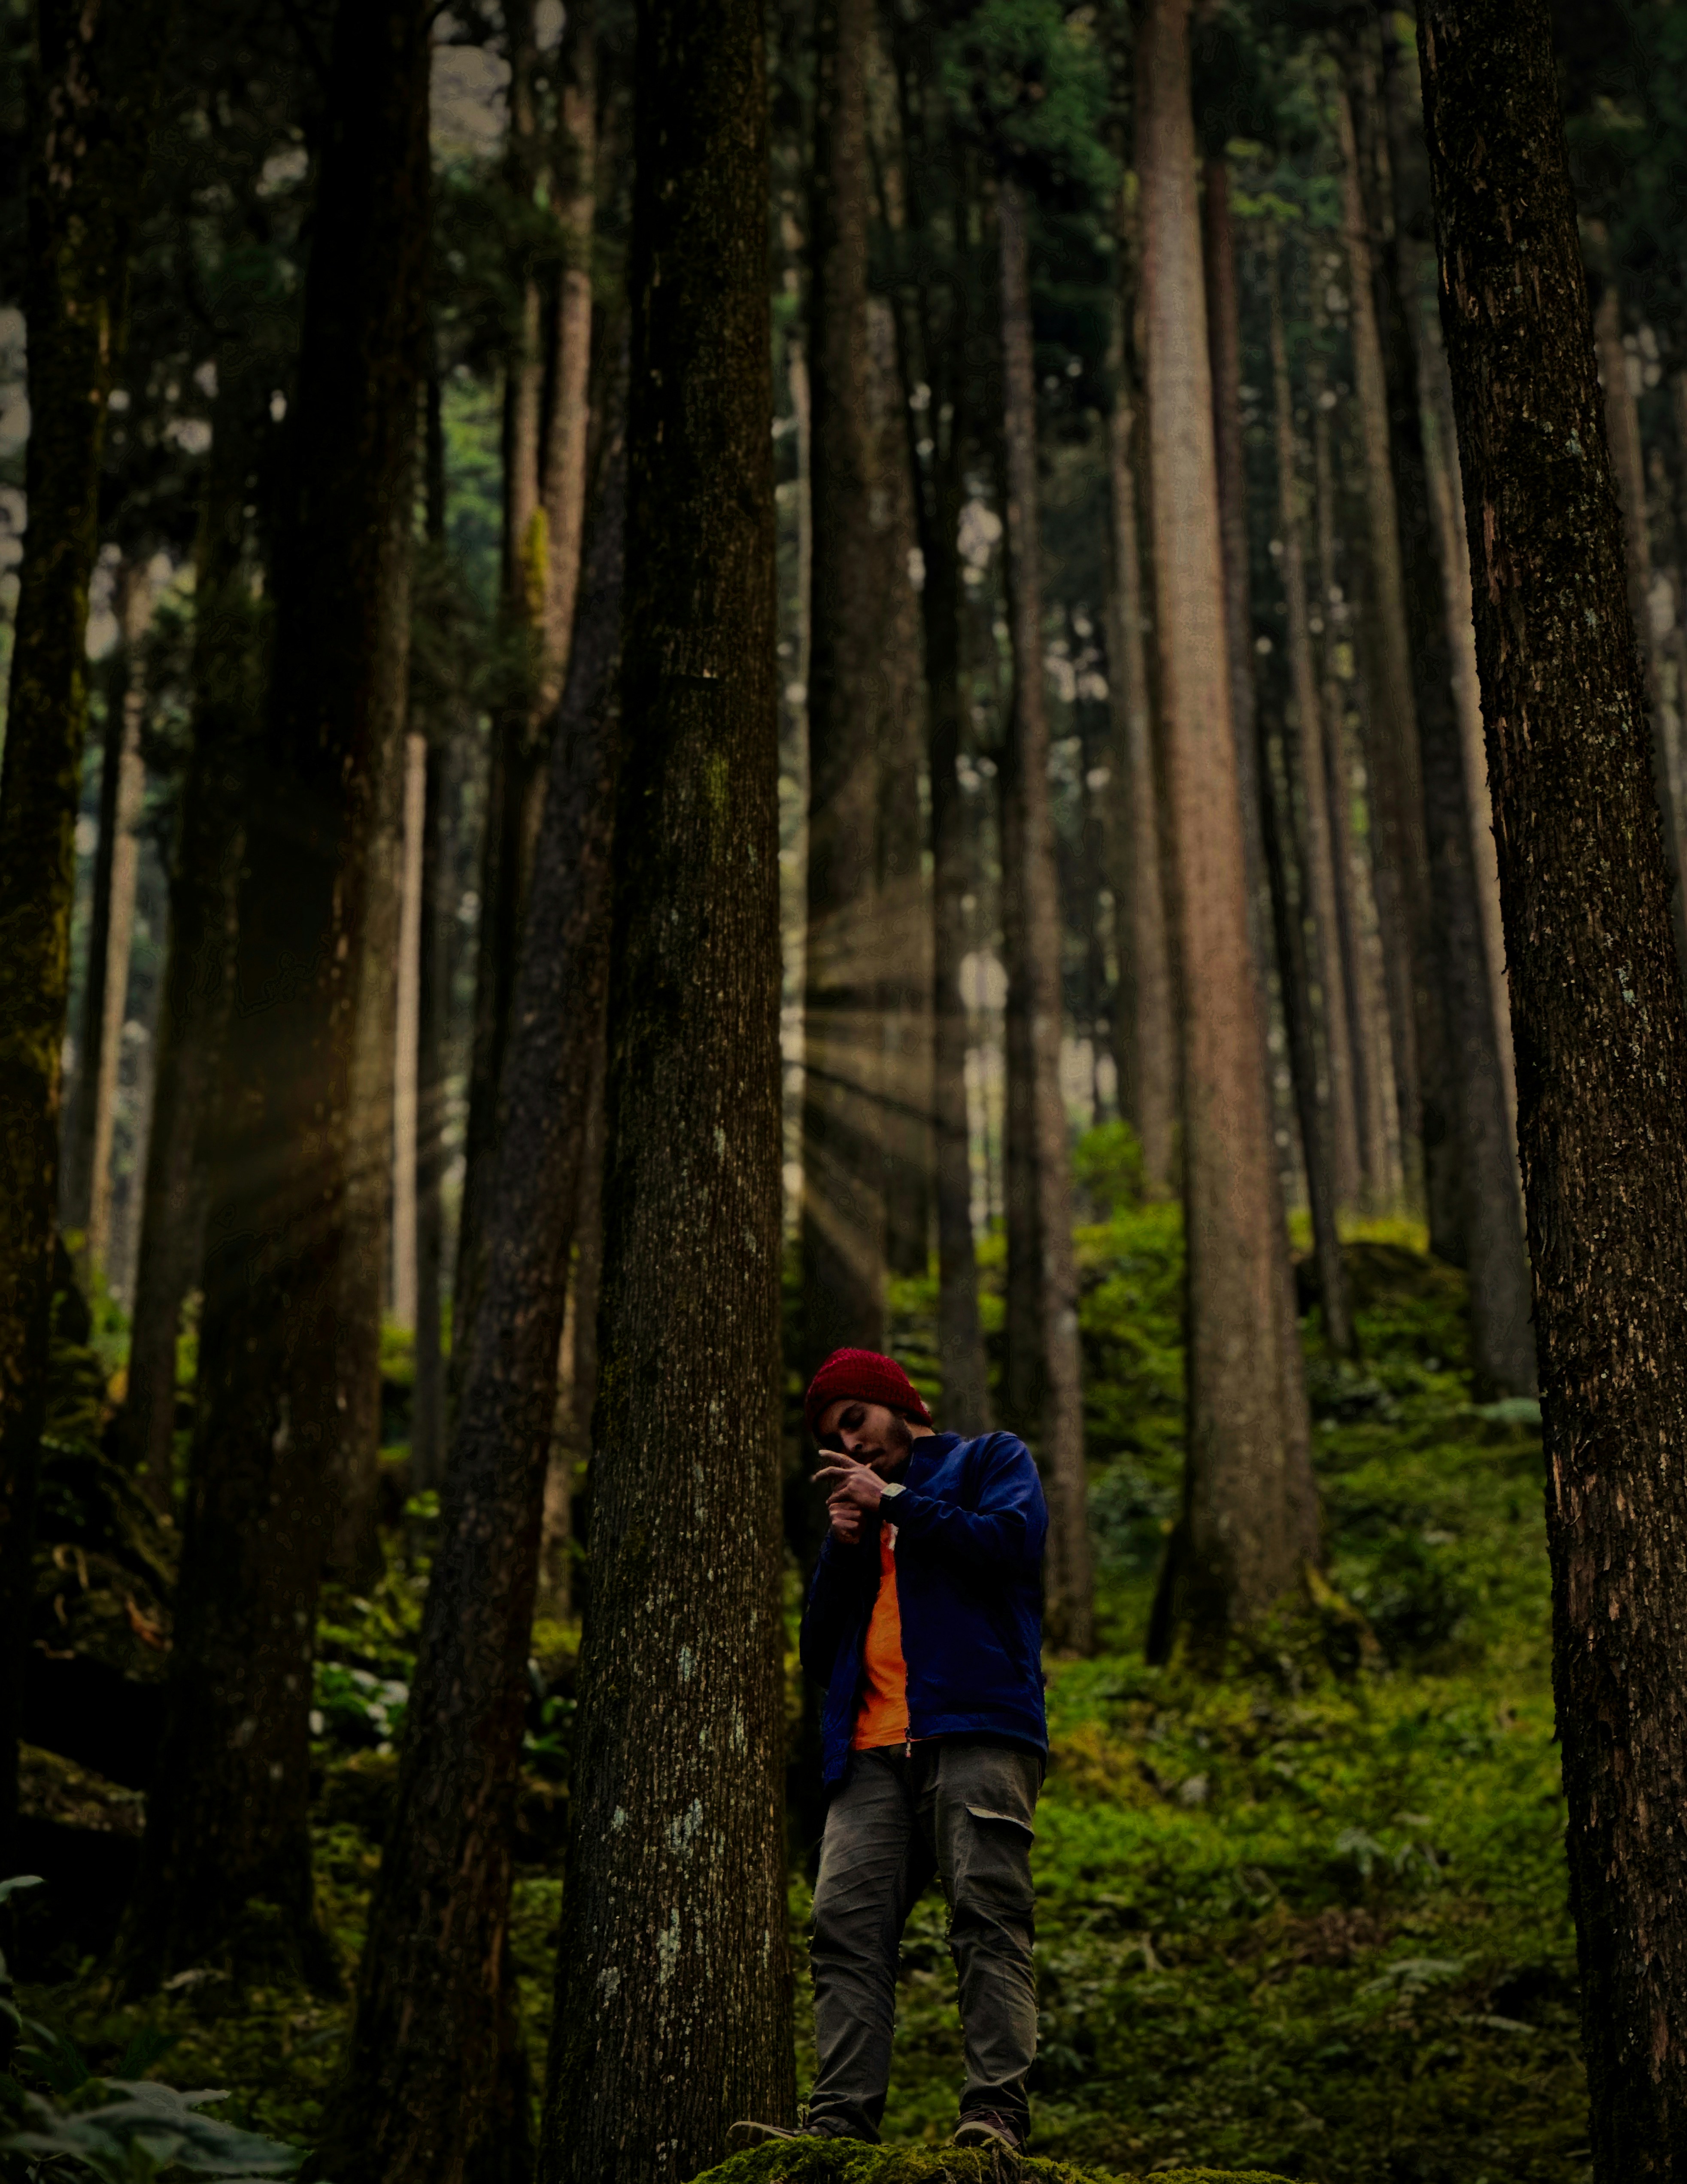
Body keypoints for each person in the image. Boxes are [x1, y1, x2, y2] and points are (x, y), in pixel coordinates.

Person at [780, 1346, 1048, 2151]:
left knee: (988, 1916)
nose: (852, 1444)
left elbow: (1010, 1543)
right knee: (843, 1930)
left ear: (900, 1403)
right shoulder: (862, 1518)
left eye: (856, 1420)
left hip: (975, 1728)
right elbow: (819, 1651)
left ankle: (995, 2115)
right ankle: (838, 2129)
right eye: (835, 1435)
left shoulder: (987, 1460)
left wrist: (895, 1501)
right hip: (866, 1752)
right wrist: (844, 1545)